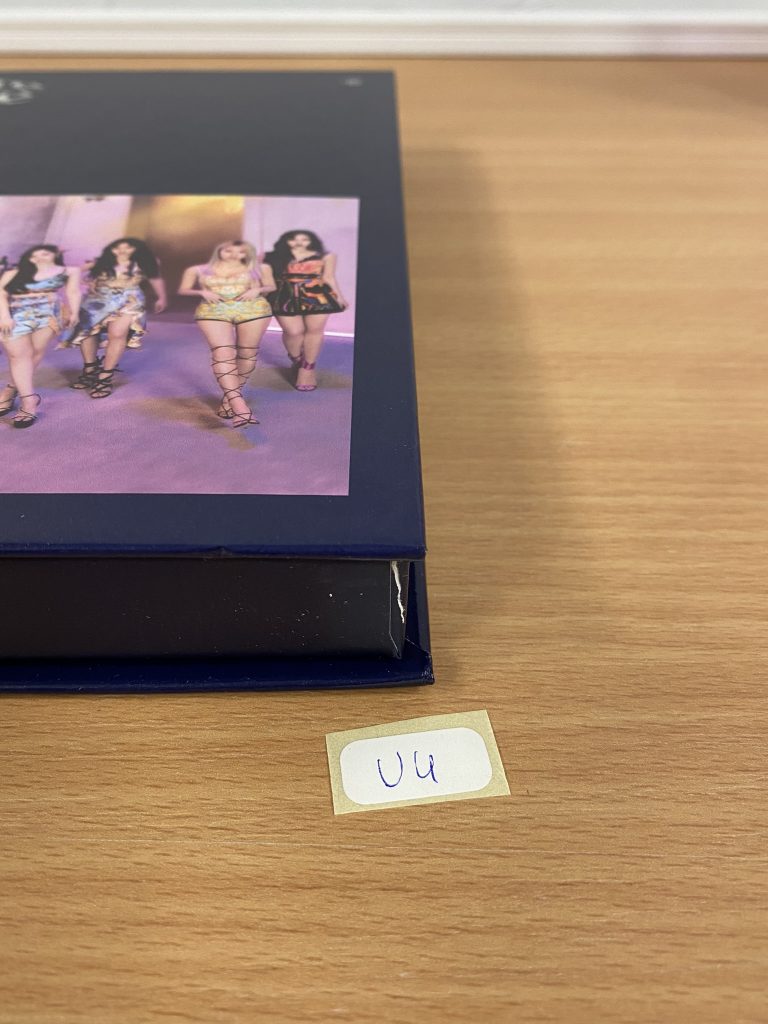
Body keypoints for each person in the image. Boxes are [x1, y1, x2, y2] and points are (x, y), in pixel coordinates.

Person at [179, 240, 275, 428]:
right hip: (213, 310)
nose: (234, 254)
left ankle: (229, 398)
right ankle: (240, 407)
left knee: (247, 353)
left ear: (247, 254)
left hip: (253, 309)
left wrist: (258, 289)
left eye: (241, 251)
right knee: (222, 353)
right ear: (219, 250)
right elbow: (183, 289)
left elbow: (271, 286)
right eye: (228, 250)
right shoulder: (198, 270)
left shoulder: (260, 268)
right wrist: (202, 293)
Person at [70, 237, 166, 398]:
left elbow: (155, 278)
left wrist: (161, 297)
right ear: (111, 249)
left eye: (128, 247)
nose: (122, 250)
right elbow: (72, 272)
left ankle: (105, 376)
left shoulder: (145, 262)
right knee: (88, 333)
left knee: (117, 333)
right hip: (98, 300)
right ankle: (90, 369)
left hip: (129, 300)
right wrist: (84, 283)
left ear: (136, 249)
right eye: (118, 247)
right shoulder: (100, 262)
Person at [0, 245, 81, 428]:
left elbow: (73, 291)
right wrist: (4, 316)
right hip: (16, 315)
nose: (39, 257)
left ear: (55, 254)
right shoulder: (15, 272)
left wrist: (74, 312)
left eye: (44, 253)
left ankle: (10, 391)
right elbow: (1, 293)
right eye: (34, 254)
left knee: (35, 353)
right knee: (17, 355)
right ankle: (29, 400)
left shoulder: (69, 271)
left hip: (49, 315)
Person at [265, 230, 348, 392]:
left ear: (311, 241)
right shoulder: (272, 256)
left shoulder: (326, 256)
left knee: (314, 330)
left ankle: (307, 369)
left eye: (304, 239)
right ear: (285, 241)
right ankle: (297, 360)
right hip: (285, 294)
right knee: (293, 331)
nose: (299, 242)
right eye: (293, 239)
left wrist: (339, 297)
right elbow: (267, 278)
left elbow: (329, 277)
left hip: (317, 294)